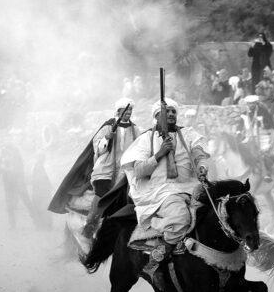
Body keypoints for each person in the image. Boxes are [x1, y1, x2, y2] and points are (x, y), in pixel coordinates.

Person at [121, 99, 210, 280]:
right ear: (156, 116)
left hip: (191, 187)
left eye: (173, 112)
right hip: (162, 191)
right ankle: (160, 254)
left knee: (217, 213)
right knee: (181, 217)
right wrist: (160, 153)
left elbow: (198, 152)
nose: (171, 114)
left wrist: (201, 165)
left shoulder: (188, 133)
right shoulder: (146, 139)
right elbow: (138, 171)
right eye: (166, 111)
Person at [82, 98, 139, 237]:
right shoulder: (108, 127)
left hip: (125, 171)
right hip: (105, 170)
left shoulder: (135, 129)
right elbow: (98, 149)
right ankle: (90, 225)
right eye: (126, 110)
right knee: (101, 194)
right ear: (118, 112)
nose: (129, 112)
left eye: (130, 110)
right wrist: (107, 138)